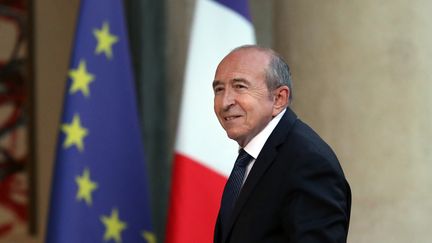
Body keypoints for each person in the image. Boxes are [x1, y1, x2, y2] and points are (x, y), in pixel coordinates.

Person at [212, 45, 351, 243]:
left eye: (240, 87)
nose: (225, 102)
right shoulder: (251, 156)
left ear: (279, 99)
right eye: (219, 89)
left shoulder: (308, 162)